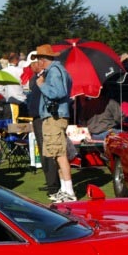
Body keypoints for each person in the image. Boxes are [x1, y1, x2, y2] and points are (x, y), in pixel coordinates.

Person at [35, 44, 76, 203]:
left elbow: (58, 93)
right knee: (57, 154)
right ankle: (64, 190)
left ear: (43, 60)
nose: (37, 62)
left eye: (38, 59)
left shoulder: (54, 72)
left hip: (55, 117)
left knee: (60, 154)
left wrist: (41, 85)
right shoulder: (59, 70)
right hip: (56, 116)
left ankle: (69, 192)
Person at [25, 54, 59, 199]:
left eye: (33, 64)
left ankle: (54, 184)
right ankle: (49, 180)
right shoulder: (36, 78)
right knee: (42, 148)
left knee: (48, 150)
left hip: (44, 116)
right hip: (37, 116)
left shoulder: (47, 76)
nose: (31, 67)